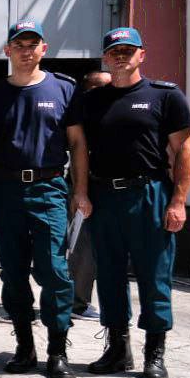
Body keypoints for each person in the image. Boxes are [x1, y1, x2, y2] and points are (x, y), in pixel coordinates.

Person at [65, 27, 190, 378]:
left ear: (142, 54)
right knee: (108, 274)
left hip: (149, 194)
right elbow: (80, 150)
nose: (121, 56)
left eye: (128, 50)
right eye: (114, 51)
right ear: (105, 57)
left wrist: (179, 201)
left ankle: (155, 353)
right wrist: (81, 192)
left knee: (155, 275)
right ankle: (117, 349)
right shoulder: (91, 101)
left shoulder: (164, 96)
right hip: (104, 196)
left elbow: (184, 149)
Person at [0, 20, 88, 378]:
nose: (26, 51)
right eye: (19, 45)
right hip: (6, 188)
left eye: (32, 45)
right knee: (13, 271)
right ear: (8, 50)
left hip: (49, 187)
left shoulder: (64, 88)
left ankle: (57, 351)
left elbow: (78, 144)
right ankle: (25, 346)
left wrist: (80, 191)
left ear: (44, 48)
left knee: (54, 270)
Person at [68, 70, 111, 321]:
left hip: (110, 188)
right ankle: (76, 303)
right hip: (80, 186)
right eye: (101, 87)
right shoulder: (78, 114)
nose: (107, 91)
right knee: (81, 245)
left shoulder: (114, 111)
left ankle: (81, 301)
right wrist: (79, 191)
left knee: (96, 248)